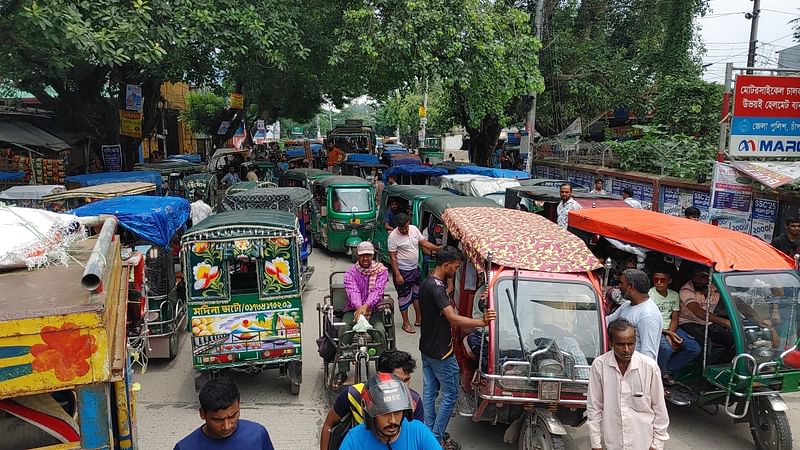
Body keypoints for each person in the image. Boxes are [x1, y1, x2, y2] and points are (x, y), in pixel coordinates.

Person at [419, 246, 496, 448]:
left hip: (427, 348)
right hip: (442, 353)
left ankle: (429, 432)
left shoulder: (429, 283)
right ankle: (436, 437)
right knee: (451, 394)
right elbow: (453, 319)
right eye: (455, 266)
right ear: (446, 265)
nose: (457, 269)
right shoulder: (437, 288)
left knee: (430, 392)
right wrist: (481, 323)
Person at [587, 319, 669, 450]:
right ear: (611, 343)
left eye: (630, 344)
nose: (626, 349)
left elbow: (659, 409)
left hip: (642, 442)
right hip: (612, 442)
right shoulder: (599, 366)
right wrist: (596, 444)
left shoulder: (649, 367)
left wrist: (657, 445)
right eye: (620, 344)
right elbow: (594, 407)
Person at [320, 350, 425, 450]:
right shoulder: (354, 394)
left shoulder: (414, 402)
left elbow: (419, 439)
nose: (403, 387)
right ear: (381, 376)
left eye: (406, 380)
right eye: (397, 380)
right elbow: (329, 425)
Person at [333, 242, 389, 386]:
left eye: (368, 255)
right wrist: (359, 307)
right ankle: (342, 370)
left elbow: (378, 290)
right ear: (358, 255)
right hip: (353, 309)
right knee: (344, 331)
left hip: (374, 309)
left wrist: (366, 305)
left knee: (380, 332)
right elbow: (353, 291)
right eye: (363, 255)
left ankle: (381, 370)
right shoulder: (351, 273)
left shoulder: (381, 271)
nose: (365, 258)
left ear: (373, 255)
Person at [339, 373, 440, 450]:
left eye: (397, 412)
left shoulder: (418, 431)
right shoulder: (354, 441)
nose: (392, 420)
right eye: (385, 414)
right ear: (371, 415)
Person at [174, 377, 274, 450]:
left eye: (233, 416)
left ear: (239, 405)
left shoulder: (258, 434)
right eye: (217, 420)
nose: (226, 426)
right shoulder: (184, 447)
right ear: (202, 414)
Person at [649, 269, 700, 390]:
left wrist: (671, 333)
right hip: (655, 328)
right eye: (656, 280)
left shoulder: (674, 295)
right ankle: (659, 376)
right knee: (667, 348)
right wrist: (667, 333)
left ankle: (665, 370)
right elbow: (650, 321)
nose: (659, 283)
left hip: (672, 328)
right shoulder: (650, 295)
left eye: (662, 280)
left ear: (669, 281)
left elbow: (675, 318)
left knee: (694, 349)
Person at [389, 213, 440, 334]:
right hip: (403, 271)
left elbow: (424, 243)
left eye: (406, 227)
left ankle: (419, 319)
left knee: (417, 295)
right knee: (404, 296)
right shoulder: (393, 237)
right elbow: (393, 258)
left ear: (408, 223)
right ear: (398, 227)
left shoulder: (414, 229)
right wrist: (397, 274)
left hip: (415, 269)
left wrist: (438, 248)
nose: (404, 230)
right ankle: (406, 323)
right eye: (401, 229)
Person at [678, 266, 736, 364]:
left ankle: (719, 367)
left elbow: (736, 302)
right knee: (705, 345)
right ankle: (701, 376)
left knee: (734, 341)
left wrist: (757, 318)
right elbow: (698, 312)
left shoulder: (715, 287)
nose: (698, 280)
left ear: (710, 278)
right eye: (695, 276)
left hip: (708, 323)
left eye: (702, 277)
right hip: (688, 323)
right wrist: (725, 322)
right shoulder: (686, 290)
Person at [605, 269, 662, 361]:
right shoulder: (627, 305)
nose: (618, 287)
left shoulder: (648, 315)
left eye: (621, 283)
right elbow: (606, 323)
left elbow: (648, 353)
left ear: (631, 287)